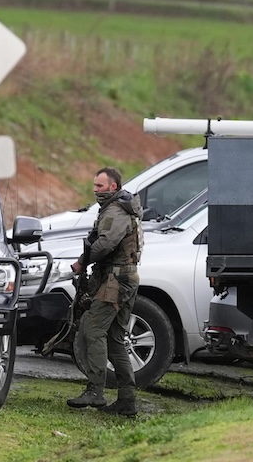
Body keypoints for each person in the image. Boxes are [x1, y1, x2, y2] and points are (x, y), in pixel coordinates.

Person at [66, 167, 144, 416]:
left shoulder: (115, 210)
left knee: (93, 328)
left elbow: (105, 243)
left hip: (116, 278)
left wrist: (82, 261)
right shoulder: (119, 208)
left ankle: (95, 390)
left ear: (113, 187)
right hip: (121, 276)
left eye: (99, 186)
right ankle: (126, 401)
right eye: (94, 185)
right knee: (115, 339)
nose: (95, 190)